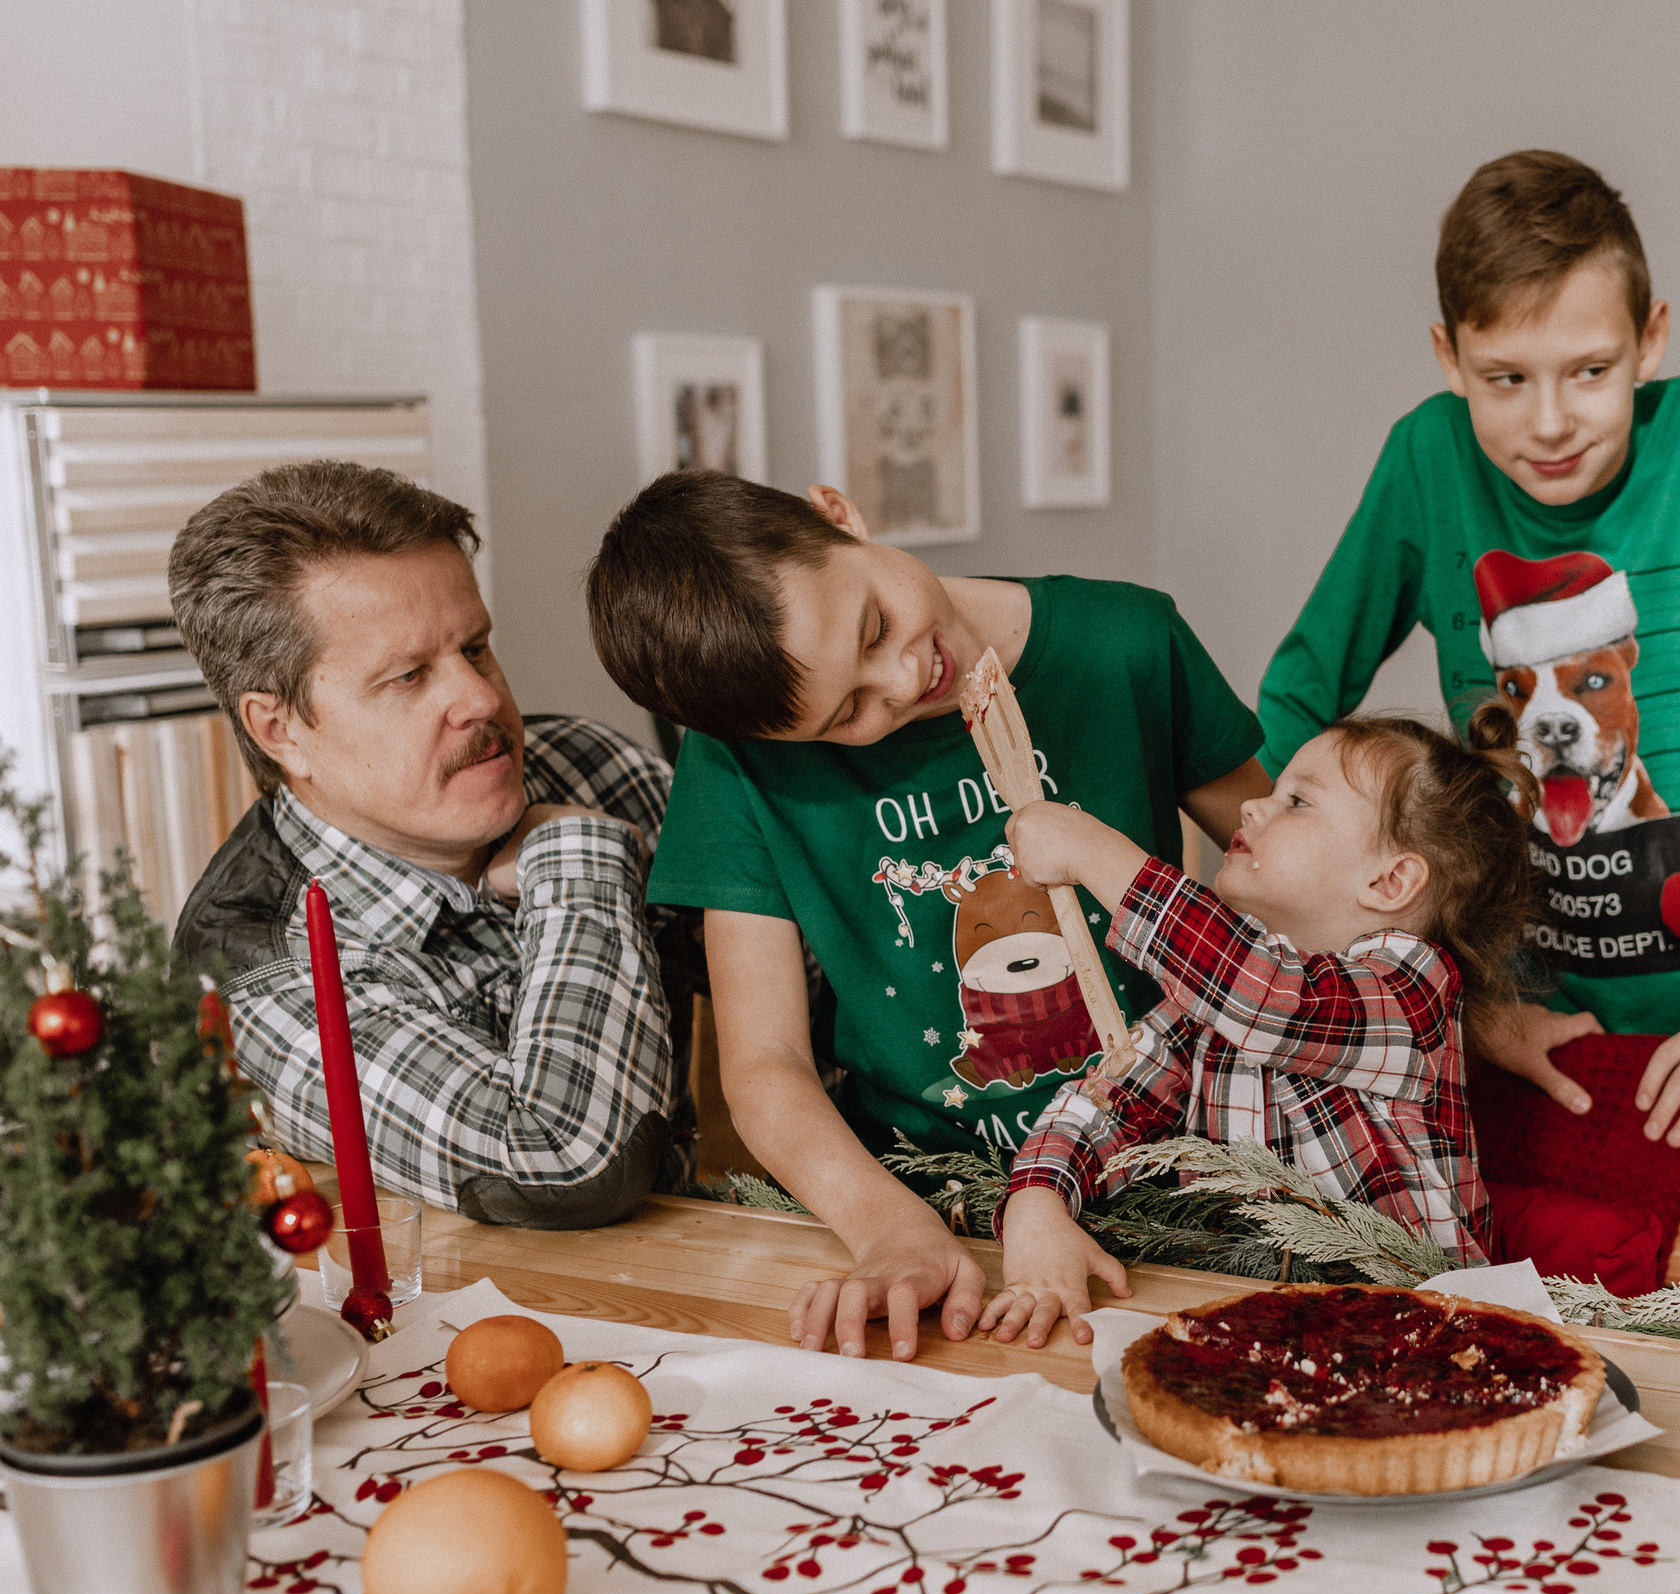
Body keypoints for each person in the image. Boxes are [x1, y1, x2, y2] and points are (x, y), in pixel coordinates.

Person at [1255, 150, 1680, 1272]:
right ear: (1448, 357)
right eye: (1505, 378)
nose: (1549, 421)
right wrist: (1412, 971)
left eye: (1589, 370)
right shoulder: (1424, 459)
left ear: (1650, 339)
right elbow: (1296, 697)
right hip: (1509, 1036)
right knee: (1517, 1326)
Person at [587, 470, 1268, 1360]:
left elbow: (1299, 890)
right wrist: (886, 1229)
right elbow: (764, 1060)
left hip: (1185, 1172)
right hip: (934, 1197)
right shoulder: (740, 763)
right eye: (846, 715)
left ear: (837, 513)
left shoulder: (1126, 641)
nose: (904, 679)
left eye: (873, 625)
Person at [171, 460, 691, 1228]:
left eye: (476, 648)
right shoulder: (264, 977)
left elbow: (822, 988)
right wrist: (579, 865)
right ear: (281, 729)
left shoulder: (587, 764)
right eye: (410, 676)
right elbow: (565, 1165)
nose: (482, 698)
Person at [983, 708, 1543, 1349]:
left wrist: (1097, 854)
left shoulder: (1411, 985)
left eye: (1297, 800)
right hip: (1261, 1324)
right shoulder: (1210, 1001)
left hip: (1424, 1334)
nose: (1251, 807)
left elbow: (1270, 998)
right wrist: (1036, 1204)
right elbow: (1109, 1103)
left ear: (1390, 882)